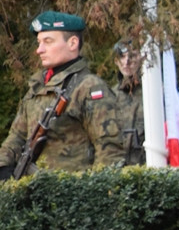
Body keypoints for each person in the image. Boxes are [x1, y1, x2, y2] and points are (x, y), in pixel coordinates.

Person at [0, 11, 124, 178]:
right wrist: (3, 166)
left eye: (48, 42)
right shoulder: (37, 88)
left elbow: (110, 151)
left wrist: (95, 195)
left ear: (72, 43)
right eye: (39, 42)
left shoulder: (89, 87)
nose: (39, 50)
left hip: (72, 195)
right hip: (33, 192)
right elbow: (16, 136)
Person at [111, 36, 146, 165]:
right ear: (116, 61)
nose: (127, 62)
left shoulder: (153, 93)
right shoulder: (111, 96)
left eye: (132, 56)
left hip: (150, 166)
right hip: (120, 168)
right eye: (122, 57)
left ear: (142, 57)